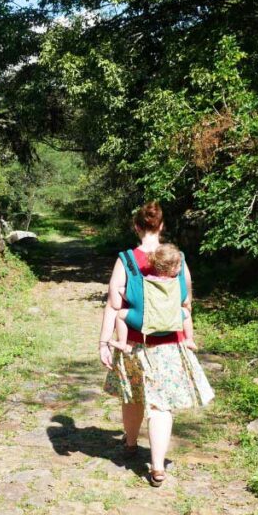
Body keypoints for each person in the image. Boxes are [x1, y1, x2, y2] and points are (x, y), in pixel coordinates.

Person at [99, 202, 214, 487]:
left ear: (137, 227)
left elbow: (114, 306)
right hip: (170, 346)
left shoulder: (126, 259)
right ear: (161, 226)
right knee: (161, 406)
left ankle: (129, 443)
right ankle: (158, 466)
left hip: (136, 344)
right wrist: (188, 335)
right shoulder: (178, 259)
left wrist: (104, 342)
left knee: (133, 394)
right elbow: (186, 301)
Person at [109, 243, 196, 354]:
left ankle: (122, 342)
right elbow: (185, 301)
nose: (181, 267)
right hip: (171, 324)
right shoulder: (176, 284)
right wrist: (187, 305)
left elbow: (134, 297)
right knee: (186, 313)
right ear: (173, 268)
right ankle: (189, 340)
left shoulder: (148, 281)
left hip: (145, 323)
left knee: (120, 315)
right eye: (180, 265)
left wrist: (122, 292)